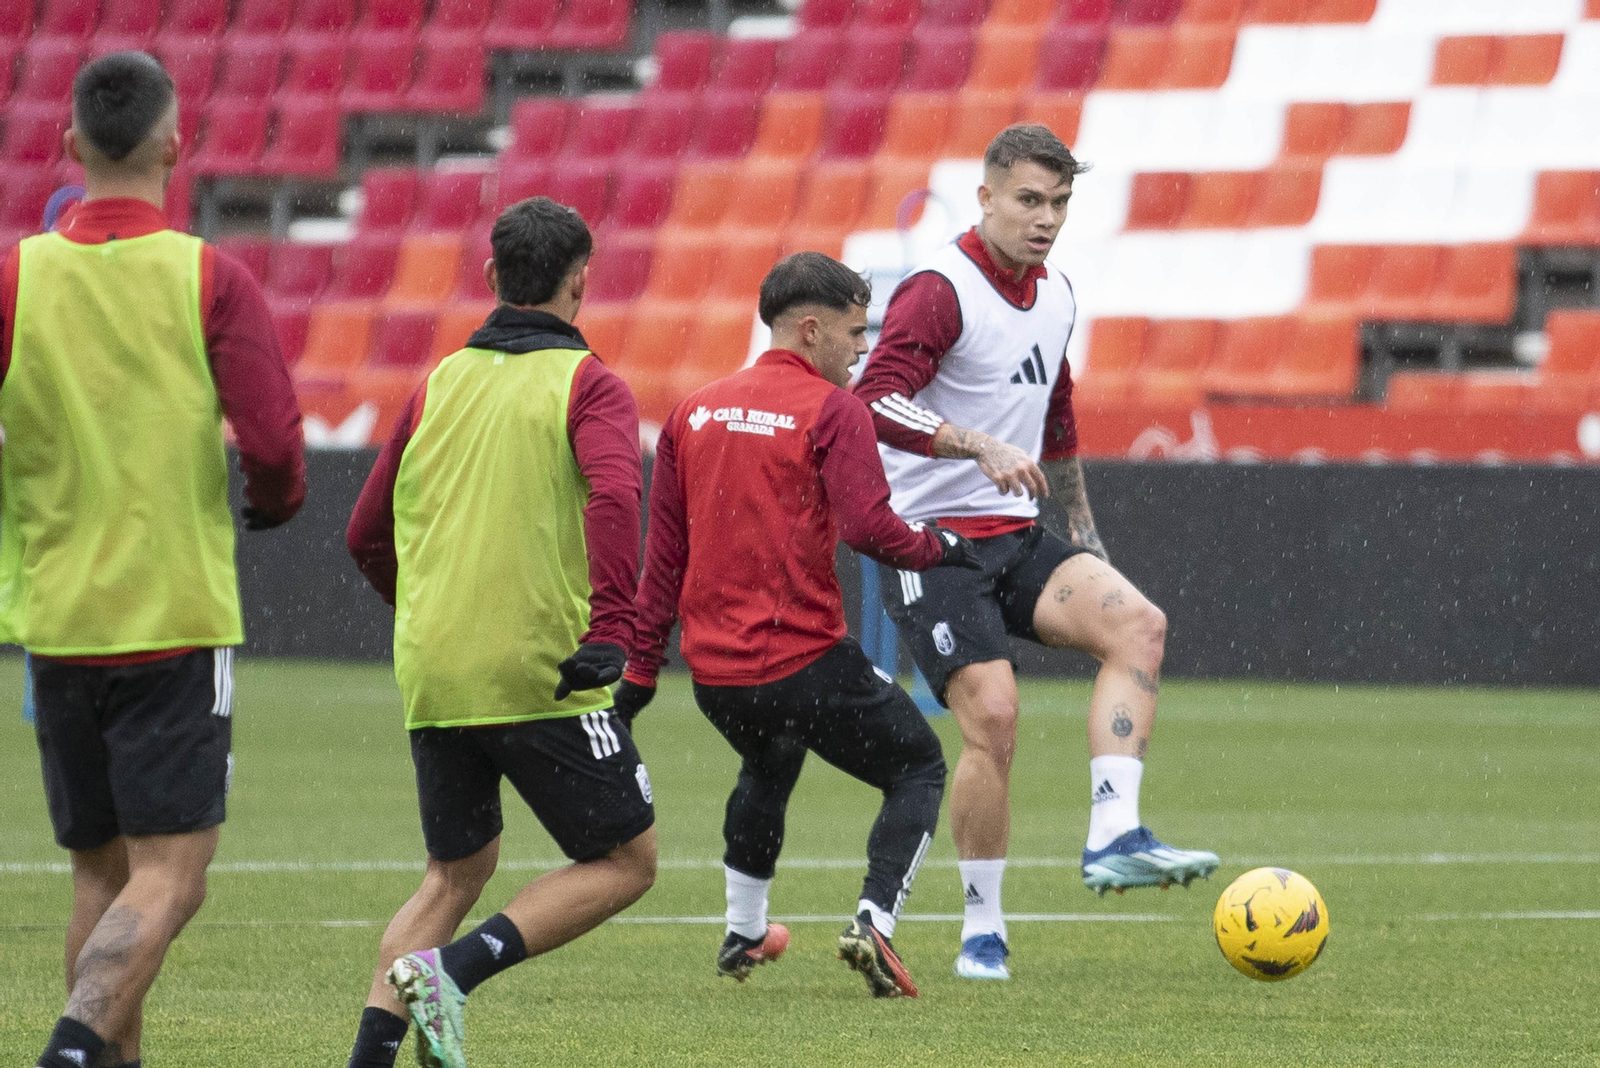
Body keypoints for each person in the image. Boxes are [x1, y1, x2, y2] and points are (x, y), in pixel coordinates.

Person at [854, 124, 1219, 982]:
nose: (1045, 218)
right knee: (997, 719)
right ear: (986, 199)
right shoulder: (939, 289)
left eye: (1059, 202)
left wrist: (1087, 539)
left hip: (1015, 533)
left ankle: (1112, 833)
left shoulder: (1057, 294)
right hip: (931, 542)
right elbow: (872, 399)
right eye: (1028, 200)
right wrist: (973, 444)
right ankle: (983, 927)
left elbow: (1057, 423)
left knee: (1140, 625)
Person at [4, 52, 307, 1068]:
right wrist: (272, 505)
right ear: (176, 145)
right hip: (173, 612)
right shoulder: (208, 278)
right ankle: (73, 1051)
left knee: (102, 877)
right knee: (173, 876)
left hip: (57, 615)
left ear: (69, 147)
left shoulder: (16, 278)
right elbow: (271, 445)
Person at [615, 252, 982, 999]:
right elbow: (870, 529)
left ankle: (744, 932)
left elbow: (663, 562)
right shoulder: (833, 410)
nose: (862, 350)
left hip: (717, 675)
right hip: (802, 660)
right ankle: (874, 923)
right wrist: (940, 545)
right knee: (917, 765)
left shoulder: (694, 409)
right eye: (853, 333)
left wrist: (641, 672)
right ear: (810, 329)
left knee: (770, 758)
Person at [344, 196, 655, 1068]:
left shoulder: (437, 381)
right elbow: (616, 494)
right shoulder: (588, 383)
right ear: (580, 281)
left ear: (491, 279)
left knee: (455, 873)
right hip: (542, 670)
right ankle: (454, 973)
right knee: (627, 860)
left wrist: (430, 616)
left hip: (436, 673)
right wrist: (615, 624)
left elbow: (365, 532)